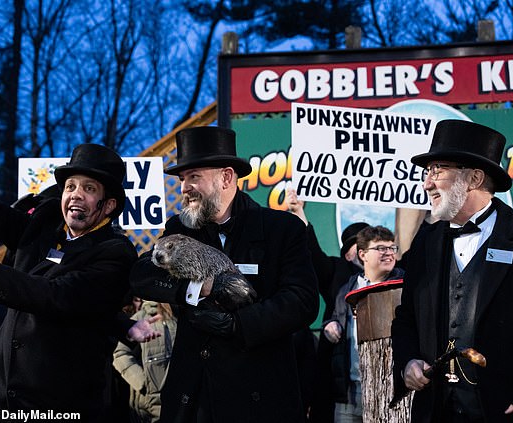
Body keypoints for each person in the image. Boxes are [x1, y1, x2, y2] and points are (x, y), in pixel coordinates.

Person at [0, 123, 161, 422]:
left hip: (59, 401)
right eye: (71, 187)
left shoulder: (115, 252)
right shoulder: (43, 224)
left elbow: (54, 296)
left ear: (108, 205)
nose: (75, 195)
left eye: (89, 189)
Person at [129, 126, 319, 423]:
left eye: (194, 177)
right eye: (181, 179)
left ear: (226, 177)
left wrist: (237, 325)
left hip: (259, 394)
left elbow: (302, 301)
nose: (184, 188)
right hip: (195, 397)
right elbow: (142, 274)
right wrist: (199, 288)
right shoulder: (179, 229)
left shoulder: (282, 229)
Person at [391, 119, 513, 423]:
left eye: (437, 170)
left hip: (508, 412)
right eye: (427, 172)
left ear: (474, 178)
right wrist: (408, 362)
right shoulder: (426, 241)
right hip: (437, 410)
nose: (427, 183)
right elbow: (406, 320)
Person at [286, 189, 370, 423]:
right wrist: (299, 212)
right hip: (340, 379)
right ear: (348, 254)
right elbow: (312, 253)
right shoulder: (337, 272)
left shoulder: (393, 275)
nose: (365, 249)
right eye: (359, 244)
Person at [323, 225, 404, 422]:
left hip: (389, 392)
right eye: (380, 248)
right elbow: (336, 318)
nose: (388, 253)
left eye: (392, 248)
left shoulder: (405, 287)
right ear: (363, 254)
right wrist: (330, 325)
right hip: (350, 393)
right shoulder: (346, 290)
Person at [113, 301, 177, 422]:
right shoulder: (140, 318)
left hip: (177, 397)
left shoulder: (177, 316)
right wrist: (142, 383)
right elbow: (120, 354)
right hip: (150, 403)